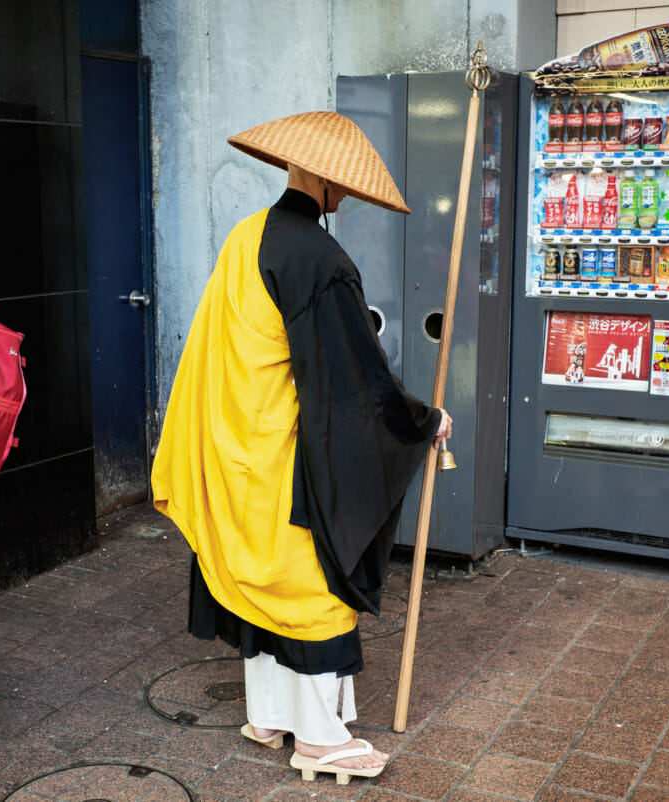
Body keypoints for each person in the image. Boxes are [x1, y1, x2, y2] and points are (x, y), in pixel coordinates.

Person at [151, 111, 454, 783]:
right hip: (285, 454)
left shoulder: (246, 237)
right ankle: (318, 739)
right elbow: (354, 376)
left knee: (257, 582)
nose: (344, 194)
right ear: (315, 175)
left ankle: (269, 714)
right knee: (311, 588)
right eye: (339, 183)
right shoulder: (321, 259)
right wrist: (422, 420)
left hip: (235, 445)